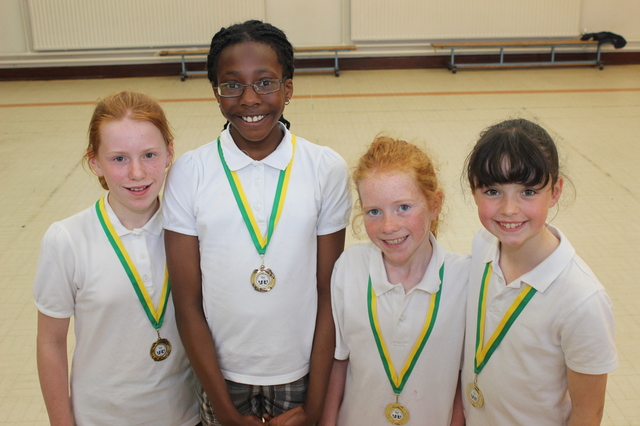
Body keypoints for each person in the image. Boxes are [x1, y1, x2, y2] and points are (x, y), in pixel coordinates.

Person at [162, 20, 351, 425]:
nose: (249, 99)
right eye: (232, 85)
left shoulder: (324, 168)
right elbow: (187, 304)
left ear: (289, 88)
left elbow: (328, 294)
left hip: (303, 370)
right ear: (215, 92)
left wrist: (316, 405)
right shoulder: (190, 172)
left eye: (265, 82)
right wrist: (226, 414)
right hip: (221, 374)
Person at [34, 91, 199, 425]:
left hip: (186, 415)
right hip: (100, 417)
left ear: (170, 153)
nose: (137, 173)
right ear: (95, 161)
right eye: (119, 159)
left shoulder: (192, 230)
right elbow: (50, 343)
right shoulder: (67, 239)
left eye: (149, 154)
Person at [461, 118, 618, 425]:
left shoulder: (583, 301)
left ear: (555, 191)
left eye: (528, 192)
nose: (509, 209)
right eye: (492, 191)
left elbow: (588, 413)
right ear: (474, 190)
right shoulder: (483, 245)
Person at [321, 136, 468, 426]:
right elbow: (339, 361)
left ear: (434, 204)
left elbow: (464, 379)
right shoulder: (350, 268)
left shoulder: (464, 278)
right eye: (374, 212)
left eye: (403, 207)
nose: (389, 226)